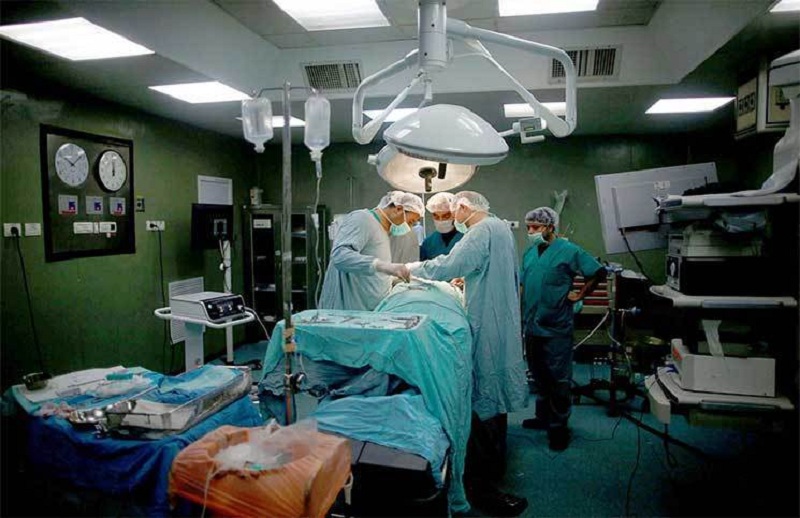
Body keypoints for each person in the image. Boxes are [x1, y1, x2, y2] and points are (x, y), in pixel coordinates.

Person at [406, 191, 529, 517]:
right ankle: (494, 471)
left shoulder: (480, 230)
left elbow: (450, 264)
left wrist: (409, 270)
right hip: (501, 323)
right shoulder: (499, 227)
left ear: (463, 207)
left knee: (483, 401)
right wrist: (468, 277)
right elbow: (482, 267)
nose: (451, 218)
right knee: (494, 403)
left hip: (486, 325)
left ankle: (482, 489)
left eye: (452, 211)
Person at [520, 206, 605, 451]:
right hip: (532, 324)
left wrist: (580, 294)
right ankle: (543, 417)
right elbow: (524, 283)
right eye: (528, 227)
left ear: (550, 227)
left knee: (558, 378)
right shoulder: (530, 252)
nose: (531, 231)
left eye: (536, 227)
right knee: (538, 374)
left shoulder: (569, 251)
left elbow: (597, 272)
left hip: (555, 325)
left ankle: (558, 427)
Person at [319, 191, 423, 311]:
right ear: (398, 209)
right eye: (410, 222)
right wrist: (383, 266)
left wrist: (394, 278)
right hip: (346, 313)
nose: (409, 228)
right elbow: (340, 256)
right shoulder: (362, 219)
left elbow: (368, 271)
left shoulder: (383, 232)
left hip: (368, 313)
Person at [420, 191, 463, 260]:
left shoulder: (466, 237)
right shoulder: (429, 242)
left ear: (454, 214)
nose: (441, 220)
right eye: (436, 216)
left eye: (445, 216)